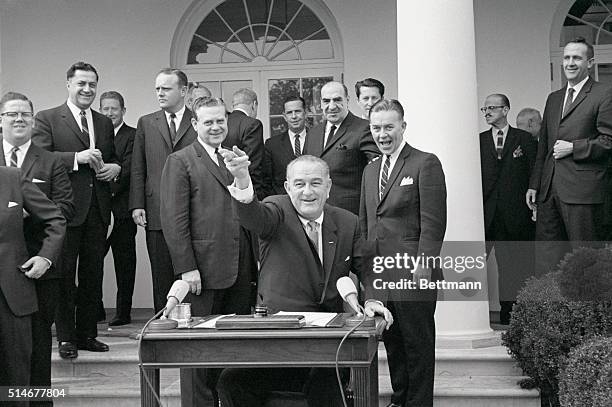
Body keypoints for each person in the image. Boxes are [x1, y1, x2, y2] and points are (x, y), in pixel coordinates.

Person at [216, 151, 392, 407]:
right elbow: (252, 216)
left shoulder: (347, 222)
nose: (307, 192)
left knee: (326, 384)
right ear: (288, 187)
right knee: (232, 381)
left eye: (315, 183)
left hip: (329, 346)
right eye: (299, 184)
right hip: (279, 344)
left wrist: (374, 298)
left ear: (328, 187)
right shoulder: (276, 210)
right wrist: (242, 178)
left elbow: (369, 268)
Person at [160, 97, 257, 407]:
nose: (216, 127)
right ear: (195, 124)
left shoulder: (234, 158)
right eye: (209, 122)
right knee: (199, 353)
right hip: (202, 271)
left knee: (232, 348)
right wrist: (187, 269)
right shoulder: (181, 160)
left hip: (240, 267)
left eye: (221, 121)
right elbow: (174, 221)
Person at [360, 99, 446, 407]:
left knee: (417, 344)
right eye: (376, 128)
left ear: (403, 127)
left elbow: (434, 224)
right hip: (381, 274)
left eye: (388, 127)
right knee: (393, 343)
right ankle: (400, 400)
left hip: (414, 272)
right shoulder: (370, 172)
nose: (382, 134)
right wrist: (366, 274)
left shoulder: (425, 163)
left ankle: (419, 403)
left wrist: (424, 264)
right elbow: (367, 224)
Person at [32, 61, 120, 359]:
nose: (87, 89)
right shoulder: (47, 118)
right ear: (68, 84)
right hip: (65, 211)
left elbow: (112, 157)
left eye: (92, 84)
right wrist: (75, 157)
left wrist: (114, 167)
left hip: (97, 211)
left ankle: (87, 334)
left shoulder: (104, 122)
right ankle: (66, 338)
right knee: (65, 276)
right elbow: (39, 159)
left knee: (94, 276)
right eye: (81, 83)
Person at [0, 92, 74, 404]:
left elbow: (64, 211)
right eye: (11, 114)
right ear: (0, 120)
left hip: (38, 273)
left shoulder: (49, 161)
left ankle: (41, 402)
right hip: (7, 271)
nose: (19, 120)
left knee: (36, 352)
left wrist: (45, 255)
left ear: (33, 120)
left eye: (25, 115)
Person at [527, 37, 612, 275]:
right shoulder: (553, 98)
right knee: (547, 262)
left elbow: (608, 141)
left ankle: (588, 312)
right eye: (566, 57)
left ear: (590, 62)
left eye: (577, 57)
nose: (570, 63)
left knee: (585, 262)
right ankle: (551, 312)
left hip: (583, 193)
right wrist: (535, 184)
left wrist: (574, 147)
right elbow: (543, 146)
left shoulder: (604, 93)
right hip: (548, 192)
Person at [129, 68, 197, 313]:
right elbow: (138, 166)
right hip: (155, 211)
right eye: (157, 88)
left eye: (166, 88)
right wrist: (137, 203)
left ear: (183, 91)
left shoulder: (198, 120)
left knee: (188, 273)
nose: (160, 93)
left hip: (192, 211)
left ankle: (189, 323)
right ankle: (161, 324)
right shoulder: (147, 122)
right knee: (161, 273)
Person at [0, 166, 66, 401]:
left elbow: (55, 220)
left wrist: (45, 257)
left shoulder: (11, 177)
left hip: (11, 298)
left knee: (16, 381)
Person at [479, 94, 537, 325]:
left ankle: (510, 315)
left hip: (515, 215)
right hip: (485, 214)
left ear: (506, 109)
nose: (487, 112)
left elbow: (535, 172)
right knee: (471, 265)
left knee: (514, 267)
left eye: (492, 108)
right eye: (485, 109)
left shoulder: (524, 138)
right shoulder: (479, 141)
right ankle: (470, 317)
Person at [304, 81, 379, 215]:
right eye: (326, 101)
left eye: (337, 100)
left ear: (347, 100)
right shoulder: (313, 133)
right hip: (316, 213)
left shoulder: (364, 128)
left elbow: (376, 170)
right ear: (320, 103)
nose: (332, 106)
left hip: (351, 214)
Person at [100, 91, 137, 326]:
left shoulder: (134, 135)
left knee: (125, 266)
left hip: (122, 211)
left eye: (114, 108)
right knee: (91, 264)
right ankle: (95, 309)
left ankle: (123, 312)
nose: (109, 113)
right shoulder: (94, 135)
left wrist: (113, 179)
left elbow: (131, 167)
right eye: (105, 109)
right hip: (98, 211)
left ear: (123, 110)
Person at [224, 88, 266, 199]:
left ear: (234, 105)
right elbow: (253, 162)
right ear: (254, 104)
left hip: (224, 187)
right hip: (247, 189)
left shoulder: (223, 123)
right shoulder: (252, 124)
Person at [262, 95, 307, 196]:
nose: (294, 116)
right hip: (283, 203)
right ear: (284, 117)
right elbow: (267, 180)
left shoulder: (318, 139)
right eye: (289, 112)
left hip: (312, 199)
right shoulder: (272, 145)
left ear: (305, 113)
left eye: (298, 111)